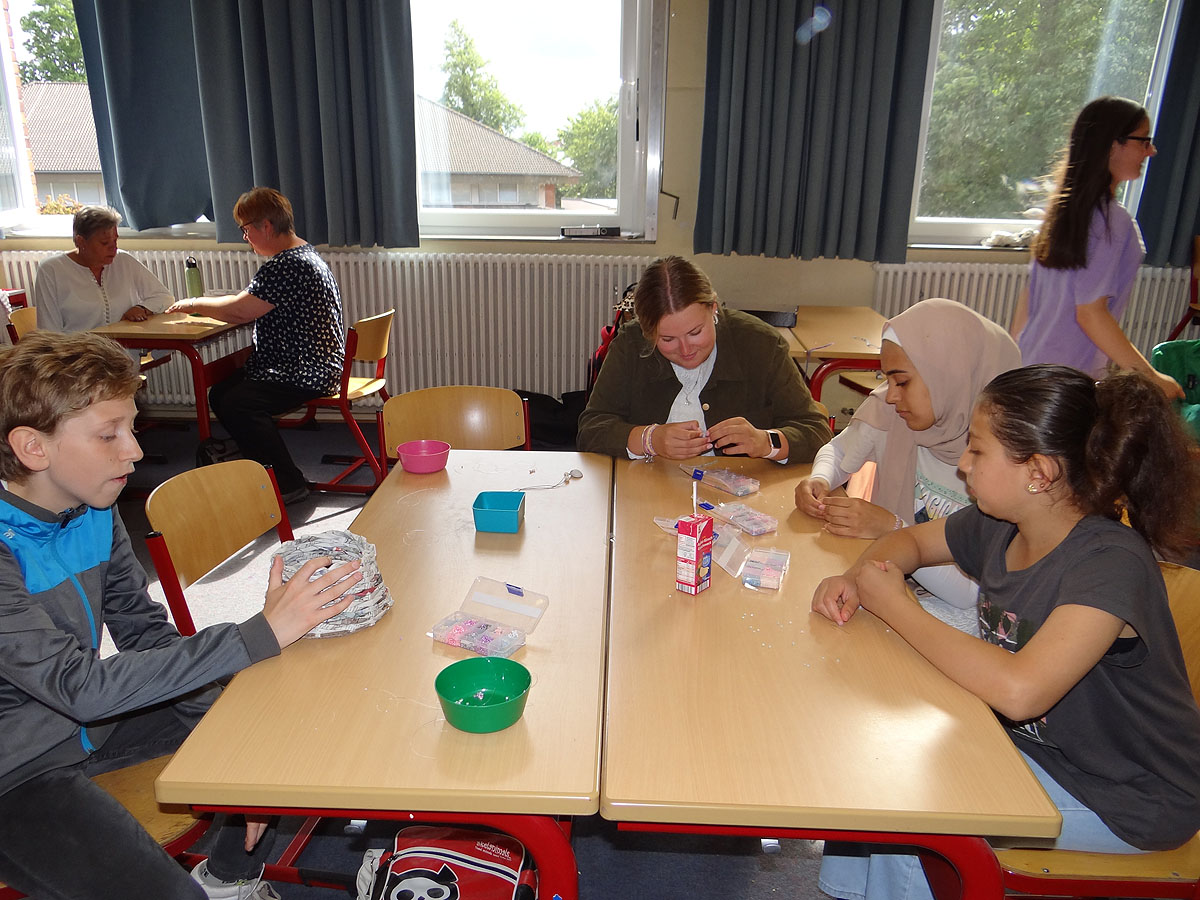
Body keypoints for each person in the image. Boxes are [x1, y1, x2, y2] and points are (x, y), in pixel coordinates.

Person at [811, 364, 1200, 900]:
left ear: (1038, 471)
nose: (963, 465)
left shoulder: (1110, 564)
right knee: (882, 759)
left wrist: (896, 606)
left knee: (917, 808)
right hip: (1041, 752)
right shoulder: (1003, 522)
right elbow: (912, 543)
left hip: (1129, 799)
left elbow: (1020, 692)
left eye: (977, 450)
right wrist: (861, 577)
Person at [0, 331, 363, 899]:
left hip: (87, 727)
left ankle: (227, 878)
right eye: (109, 434)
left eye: (131, 428)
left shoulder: (88, 504)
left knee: (275, 733)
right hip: (15, 770)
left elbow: (142, 631)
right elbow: (80, 689)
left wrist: (230, 745)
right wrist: (259, 634)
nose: (134, 451)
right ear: (32, 447)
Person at [795, 298, 1021, 633]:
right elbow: (839, 451)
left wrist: (891, 528)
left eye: (902, 382)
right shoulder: (894, 414)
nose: (890, 395)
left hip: (955, 624)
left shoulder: (1003, 460)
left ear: (951, 377)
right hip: (892, 593)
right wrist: (820, 479)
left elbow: (969, 594)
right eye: (887, 380)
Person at [167, 187, 345, 504]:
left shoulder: (287, 265)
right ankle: (262, 467)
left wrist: (194, 303)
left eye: (246, 229)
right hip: (310, 362)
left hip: (305, 369)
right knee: (221, 393)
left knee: (239, 403)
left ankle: (287, 483)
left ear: (266, 226)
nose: (245, 238)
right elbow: (249, 303)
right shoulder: (303, 253)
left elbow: (241, 310)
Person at [577, 255, 831, 462]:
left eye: (695, 332)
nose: (686, 349)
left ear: (714, 309)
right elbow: (591, 429)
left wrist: (766, 442)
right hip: (646, 487)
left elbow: (816, 432)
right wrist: (649, 439)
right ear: (648, 332)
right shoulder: (630, 344)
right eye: (667, 339)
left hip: (741, 494)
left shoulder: (761, 344)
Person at [1010, 96, 1183, 399]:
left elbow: (1029, 298)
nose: (1151, 151)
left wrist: (1011, 361)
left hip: (1030, 369)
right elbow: (1090, 313)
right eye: (1144, 141)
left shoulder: (1063, 212)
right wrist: (1152, 377)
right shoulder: (1111, 220)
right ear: (1113, 145)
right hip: (1064, 380)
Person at [31, 205, 173, 330]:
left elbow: (164, 297)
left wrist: (141, 308)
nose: (113, 248)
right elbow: (49, 330)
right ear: (81, 241)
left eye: (115, 240)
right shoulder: (51, 269)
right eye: (104, 243)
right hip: (77, 350)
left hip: (123, 349)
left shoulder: (123, 260)